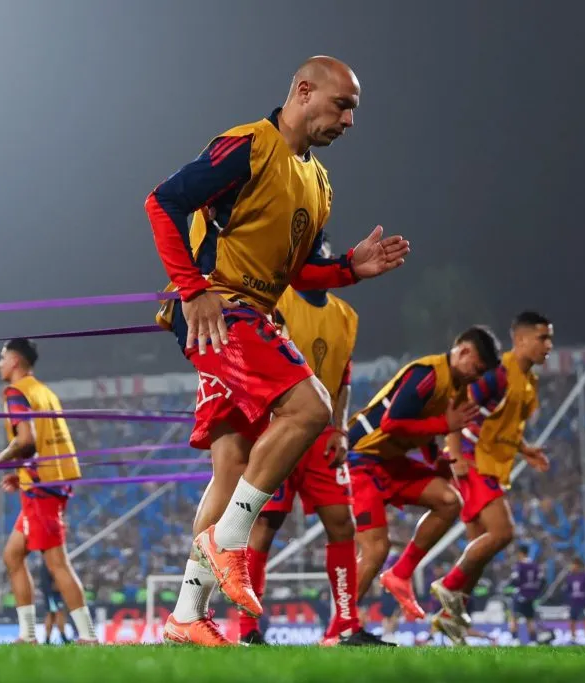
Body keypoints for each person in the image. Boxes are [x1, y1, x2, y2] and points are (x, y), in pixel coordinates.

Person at [145, 55, 410, 646]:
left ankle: (187, 616)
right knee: (311, 409)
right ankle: (228, 541)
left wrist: (348, 269)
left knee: (231, 465)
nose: (349, 120)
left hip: (247, 314)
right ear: (304, 91)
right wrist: (193, 292)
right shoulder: (247, 145)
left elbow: (299, 272)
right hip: (219, 312)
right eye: (342, 105)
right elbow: (162, 203)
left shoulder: (319, 183)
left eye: (353, 111)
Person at [238, 277, 381, 646]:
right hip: (280, 426)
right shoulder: (276, 296)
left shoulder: (346, 315)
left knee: (342, 523)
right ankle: (248, 630)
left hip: (322, 437)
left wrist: (340, 428)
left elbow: (344, 379)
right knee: (264, 527)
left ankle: (346, 626)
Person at [347, 327, 500, 625]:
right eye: (477, 369)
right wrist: (444, 424)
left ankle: (400, 574)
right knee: (376, 549)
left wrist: (436, 461)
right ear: (463, 351)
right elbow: (392, 424)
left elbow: (422, 430)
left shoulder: (456, 389)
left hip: (389, 461)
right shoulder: (427, 373)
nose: (476, 377)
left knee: (448, 501)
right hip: (358, 458)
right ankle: (341, 628)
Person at [436, 311, 553, 631]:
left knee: (478, 551)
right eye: (542, 338)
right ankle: (447, 589)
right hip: (473, 459)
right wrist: (456, 455)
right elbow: (456, 404)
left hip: (487, 462)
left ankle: (451, 618)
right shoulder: (499, 373)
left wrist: (524, 448)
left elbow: (506, 426)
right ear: (520, 340)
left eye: (550, 338)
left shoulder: (529, 382)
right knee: (503, 533)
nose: (549, 345)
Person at [0, 338, 98, 645]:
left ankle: (88, 636)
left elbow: (27, 440)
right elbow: (46, 442)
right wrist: (20, 474)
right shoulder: (44, 392)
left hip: (42, 489)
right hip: (49, 481)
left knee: (56, 563)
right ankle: (27, 635)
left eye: (2, 358)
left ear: (14, 362)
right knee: (12, 554)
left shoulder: (16, 392)